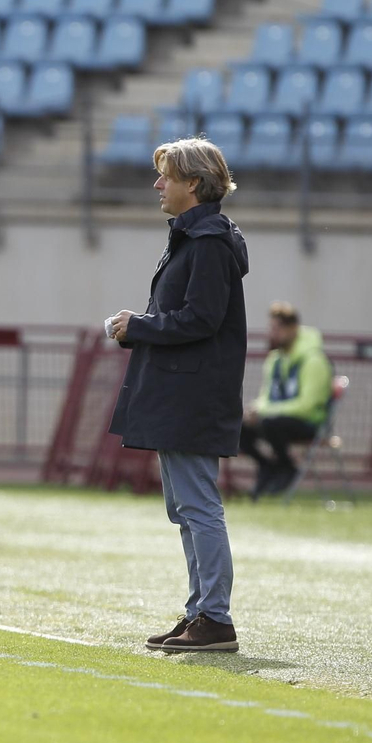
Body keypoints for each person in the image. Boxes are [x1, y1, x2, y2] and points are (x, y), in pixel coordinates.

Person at [106, 139, 248, 654]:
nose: (157, 184)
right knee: (184, 507)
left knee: (198, 505)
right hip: (186, 391)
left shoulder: (208, 240)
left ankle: (215, 618)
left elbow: (201, 319)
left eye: (166, 175)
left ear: (194, 183)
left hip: (193, 393)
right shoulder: (201, 235)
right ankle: (199, 612)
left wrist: (138, 326)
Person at [240, 303, 333, 500]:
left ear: (293, 329)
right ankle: (267, 467)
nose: (272, 333)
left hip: (309, 423)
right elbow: (267, 396)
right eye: (271, 328)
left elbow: (308, 405)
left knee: (270, 423)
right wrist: (255, 409)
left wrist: (267, 412)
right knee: (239, 426)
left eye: (277, 328)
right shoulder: (275, 359)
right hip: (278, 419)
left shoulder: (313, 360)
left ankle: (287, 468)